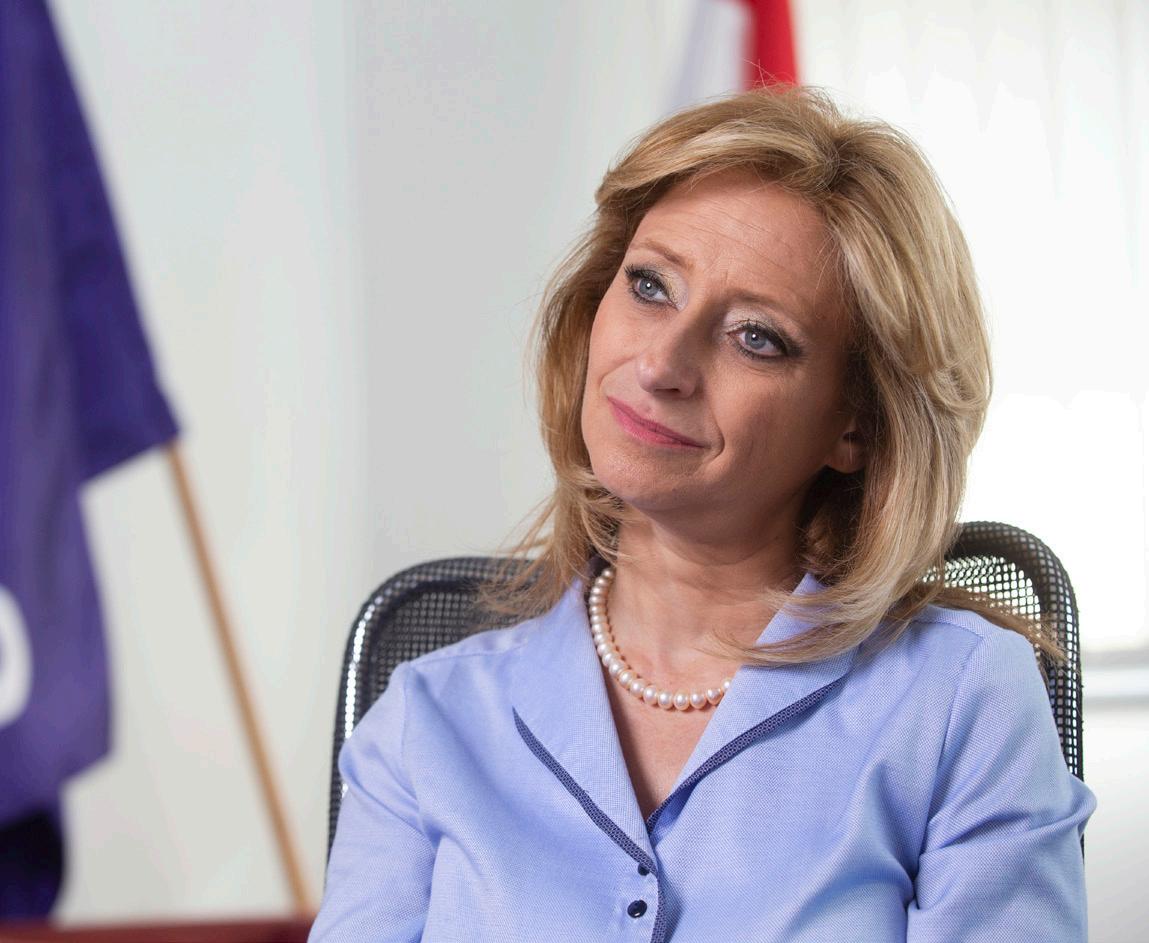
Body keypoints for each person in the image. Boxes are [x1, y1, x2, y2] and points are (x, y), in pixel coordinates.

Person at [309, 86, 1095, 942]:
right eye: (650, 286)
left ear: (855, 425)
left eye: (756, 336)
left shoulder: (959, 699)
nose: (659, 364)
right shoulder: (425, 720)